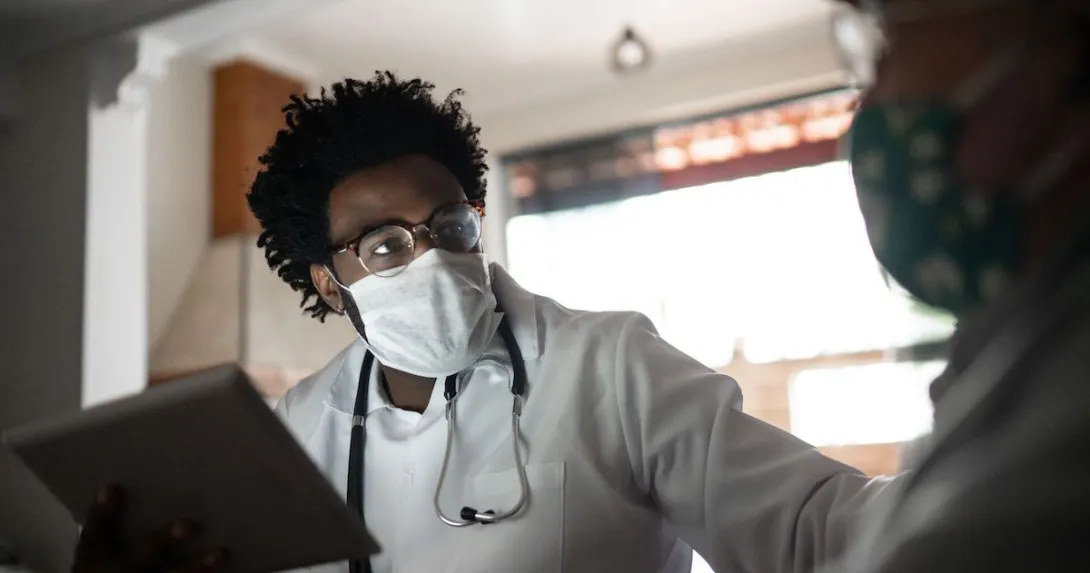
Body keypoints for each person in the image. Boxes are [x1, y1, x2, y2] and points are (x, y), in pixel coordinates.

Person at [71, 73, 893, 573]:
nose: (430, 256)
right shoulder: (292, 430)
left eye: (450, 225)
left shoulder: (609, 365)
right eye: (386, 245)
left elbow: (818, 529)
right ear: (328, 282)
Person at [826, 0, 1090, 572]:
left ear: (1059, 58)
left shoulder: (1056, 465)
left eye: (890, 47)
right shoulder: (1016, 347)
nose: (867, 103)